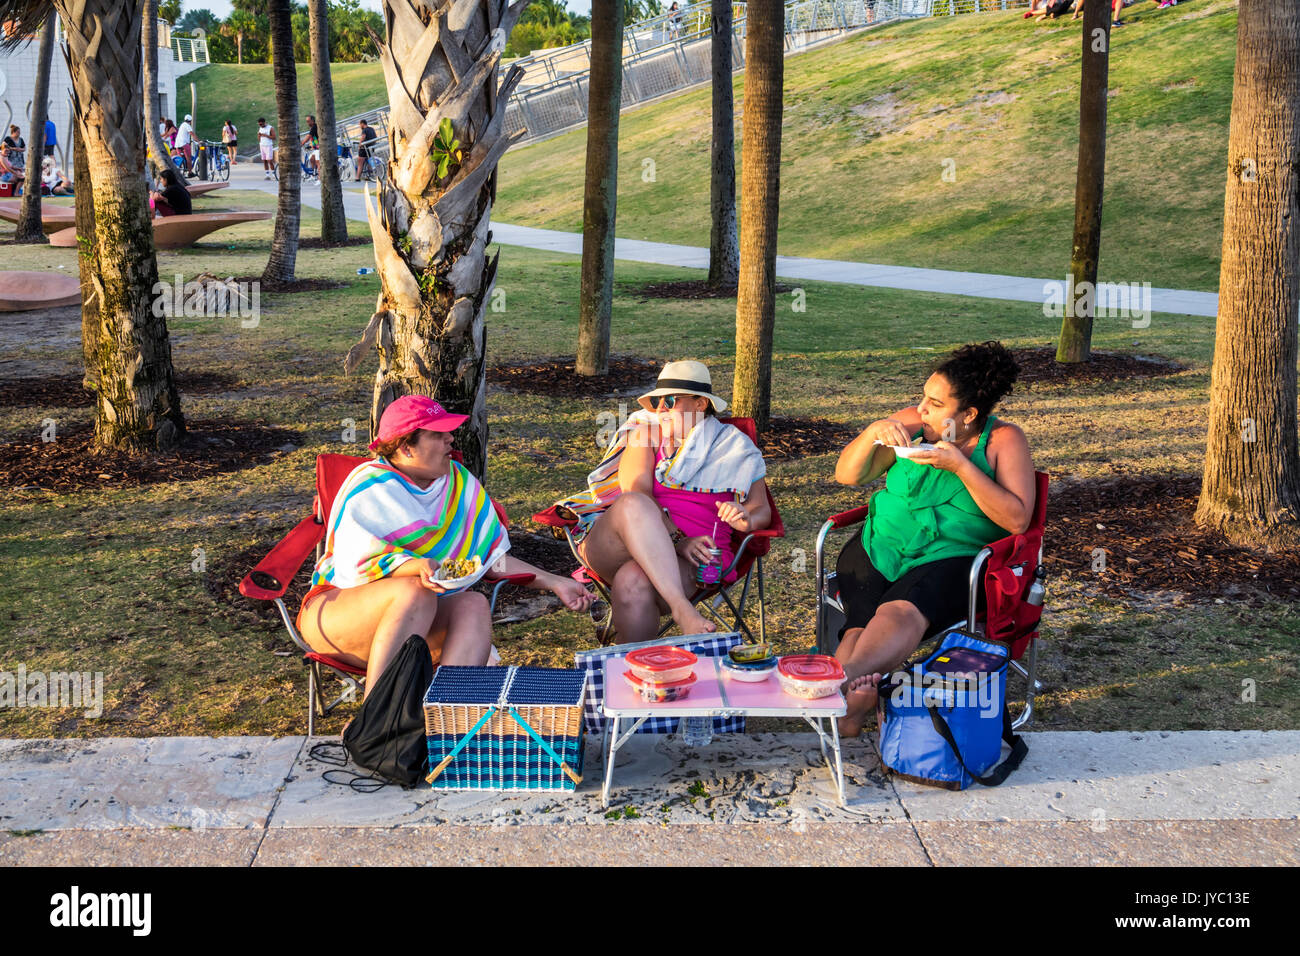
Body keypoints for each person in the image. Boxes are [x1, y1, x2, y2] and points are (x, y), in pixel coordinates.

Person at [297, 396, 594, 695]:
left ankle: (445, 719)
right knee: (417, 589)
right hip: (336, 614)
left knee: (473, 604)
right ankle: (375, 721)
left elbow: (490, 560)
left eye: (449, 432)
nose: (450, 439)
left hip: (415, 621)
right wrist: (416, 566)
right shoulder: (370, 486)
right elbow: (355, 564)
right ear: (405, 447)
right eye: (437, 435)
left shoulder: (459, 484)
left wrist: (555, 582)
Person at [831, 341, 1035, 737]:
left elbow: (1017, 520)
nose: (921, 408)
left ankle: (837, 686)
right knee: (859, 621)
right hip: (880, 543)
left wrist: (960, 467)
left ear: (969, 414)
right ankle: (849, 704)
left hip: (952, 556)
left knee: (898, 612)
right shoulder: (911, 423)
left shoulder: (1003, 441)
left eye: (935, 403)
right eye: (923, 397)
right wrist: (872, 433)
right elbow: (848, 475)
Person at [557, 361, 771, 644]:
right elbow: (638, 492)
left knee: (633, 579)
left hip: (698, 559)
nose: (660, 410)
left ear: (700, 403)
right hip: (619, 544)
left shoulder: (733, 447)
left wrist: (745, 516)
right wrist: (678, 540)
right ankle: (682, 609)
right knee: (633, 503)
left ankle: (641, 675)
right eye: (657, 401)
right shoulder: (646, 435)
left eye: (670, 401)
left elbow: (762, 510)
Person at [302, 114, 320, 181]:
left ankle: (319, 179)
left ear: (312, 121)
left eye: (308, 121)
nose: (307, 123)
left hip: (320, 147)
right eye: (306, 121)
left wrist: (302, 143)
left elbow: (309, 136)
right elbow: (313, 138)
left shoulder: (314, 127)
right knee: (312, 159)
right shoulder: (312, 128)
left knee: (318, 162)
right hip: (316, 147)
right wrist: (312, 145)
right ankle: (313, 175)